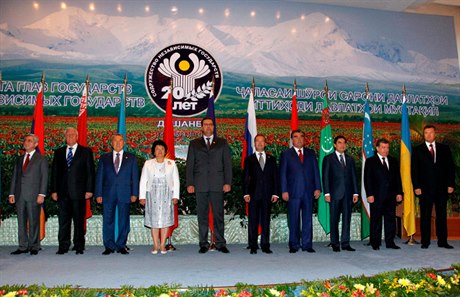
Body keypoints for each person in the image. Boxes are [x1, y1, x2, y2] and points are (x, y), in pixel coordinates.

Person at [186, 117, 232, 254]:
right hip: (200, 185)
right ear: (201, 127)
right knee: (202, 216)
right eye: (205, 125)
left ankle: (220, 243)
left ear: (213, 127)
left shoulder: (222, 143)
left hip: (218, 185)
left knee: (218, 215)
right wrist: (190, 183)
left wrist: (227, 182)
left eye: (210, 125)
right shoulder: (194, 144)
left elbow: (227, 165)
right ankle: (203, 244)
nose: (208, 127)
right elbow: (190, 165)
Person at [51, 127, 95, 255]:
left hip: (79, 192)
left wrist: (89, 190)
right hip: (62, 193)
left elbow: (90, 172)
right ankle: (63, 246)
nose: (70, 136)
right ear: (65, 137)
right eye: (68, 134)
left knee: (79, 221)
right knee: (63, 221)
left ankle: (79, 246)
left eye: (72, 134)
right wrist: (53, 190)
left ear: (77, 136)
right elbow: (54, 173)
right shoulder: (58, 152)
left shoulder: (86, 151)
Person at [411, 125, 455, 249]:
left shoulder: (444, 149)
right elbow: (414, 170)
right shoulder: (417, 150)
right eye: (426, 133)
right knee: (425, 216)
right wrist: (417, 186)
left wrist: (450, 184)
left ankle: (443, 241)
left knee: (441, 216)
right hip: (425, 190)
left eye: (431, 132)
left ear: (435, 133)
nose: (429, 135)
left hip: (442, 189)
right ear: (423, 135)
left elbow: (450, 168)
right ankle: (425, 242)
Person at [95, 134, 139, 255]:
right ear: (111, 143)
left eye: (120, 141)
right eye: (115, 141)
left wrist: (135, 193)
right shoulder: (104, 158)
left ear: (124, 143)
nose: (118, 143)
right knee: (108, 220)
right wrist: (98, 194)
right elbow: (99, 177)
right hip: (107, 194)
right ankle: (109, 245)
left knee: (123, 220)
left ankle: (121, 245)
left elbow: (134, 177)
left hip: (125, 193)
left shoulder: (131, 158)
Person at [280, 129, 321, 253]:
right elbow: (282, 174)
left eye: (301, 137)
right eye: (296, 137)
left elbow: (315, 171)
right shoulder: (286, 154)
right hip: (293, 192)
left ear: (304, 139)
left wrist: (318, 188)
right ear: (292, 140)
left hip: (308, 192)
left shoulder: (311, 153)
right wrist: (284, 190)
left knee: (308, 219)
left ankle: (307, 244)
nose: (299, 139)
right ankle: (294, 244)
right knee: (293, 219)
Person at [8, 134, 48, 255]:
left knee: (34, 220)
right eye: (25, 140)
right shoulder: (19, 159)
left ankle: (34, 246)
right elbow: (15, 177)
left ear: (36, 144)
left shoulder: (41, 159)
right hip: (19, 195)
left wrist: (42, 194)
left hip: (34, 195)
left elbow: (44, 177)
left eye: (29, 141)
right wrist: (11, 194)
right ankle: (22, 246)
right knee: (21, 221)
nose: (26, 142)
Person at [139, 140, 179, 255]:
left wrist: (175, 196)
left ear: (165, 151)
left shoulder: (171, 163)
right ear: (154, 151)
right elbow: (143, 181)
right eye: (157, 149)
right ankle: (155, 244)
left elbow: (176, 181)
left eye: (162, 149)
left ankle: (162, 245)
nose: (160, 151)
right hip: (152, 193)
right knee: (154, 220)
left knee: (165, 220)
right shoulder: (148, 163)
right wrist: (142, 196)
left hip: (167, 194)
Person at [364, 138, 403, 250]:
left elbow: (397, 178)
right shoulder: (370, 161)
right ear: (377, 148)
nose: (386, 150)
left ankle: (390, 242)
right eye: (383, 147)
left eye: (387, 147)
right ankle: (375, 243)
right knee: (376, 220)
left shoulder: (393, 160)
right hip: (376, 196)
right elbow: (367, 179)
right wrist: (369, 194)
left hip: (391, 196)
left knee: (390, 219)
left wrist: (399, 192)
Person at [243, 134, 279, 254]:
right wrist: (246, 193)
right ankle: (253, 245)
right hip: (253, 195)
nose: (259, 143)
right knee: (253, 221)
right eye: (257, 141)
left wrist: (275, 193)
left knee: (265, 221)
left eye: (262, 141)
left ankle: (265, 245)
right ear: (254, 143)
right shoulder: (249, 159)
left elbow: (275, 177)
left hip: (268, 195)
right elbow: (246, 178)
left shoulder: (271, 159)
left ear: (265, 143)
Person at [322, 135, 359, 252]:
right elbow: (325, 177)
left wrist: (356, 193)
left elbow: (354, 177)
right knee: (334, 219)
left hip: (348, 195)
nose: (342, 145)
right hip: (334, 194)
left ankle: (345, 243)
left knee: (347, 219)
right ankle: (335, 243)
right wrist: (326, 193)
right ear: (335, 145)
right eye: (339, 143)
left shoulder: (350, 159)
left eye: (344, 143)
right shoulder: (328, 159)